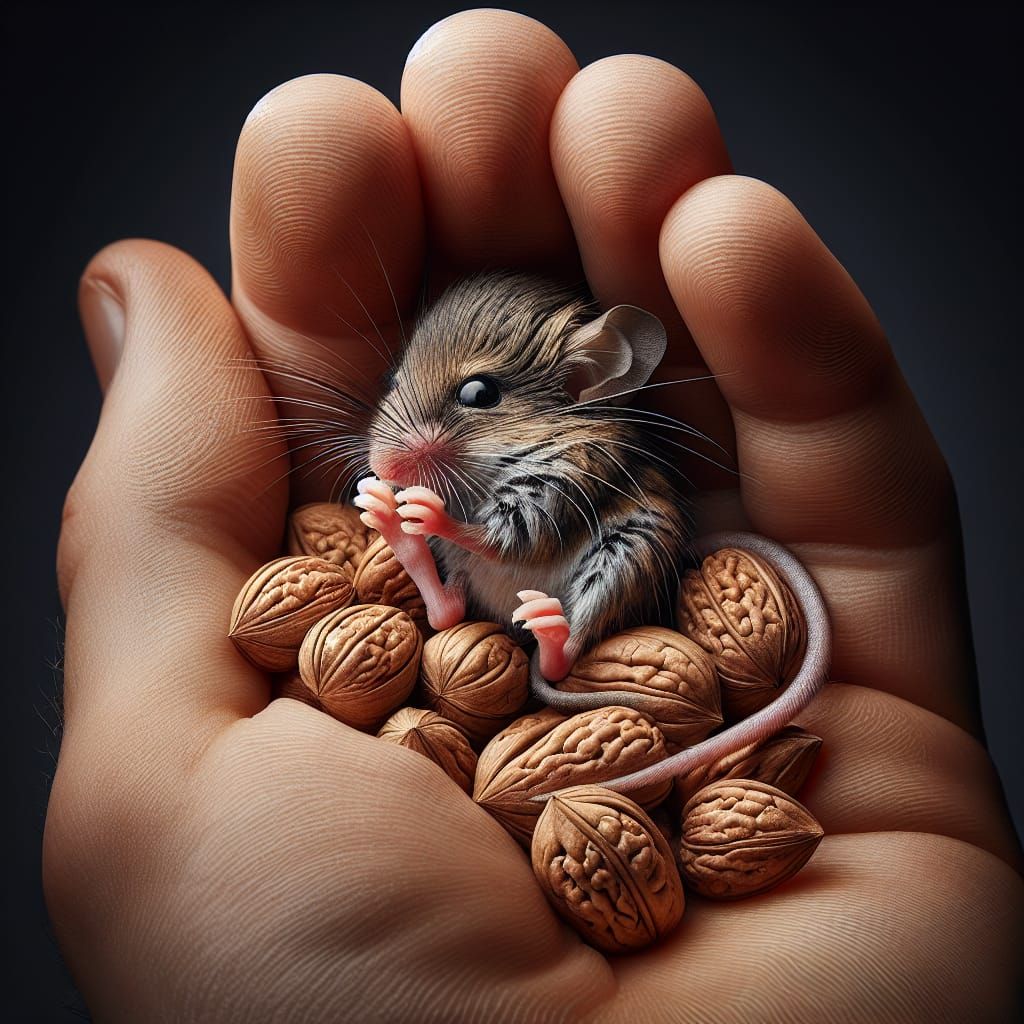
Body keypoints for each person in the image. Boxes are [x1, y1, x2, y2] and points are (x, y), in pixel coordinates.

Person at [47, 9, 1023, 1020]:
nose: (400, 428)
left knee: (630, 536)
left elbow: (533, 533)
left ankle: (556, 659)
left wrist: (461, 538)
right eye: (400, 390)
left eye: (469, 398)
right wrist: (422, 549)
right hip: (488, 654)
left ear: (585, 378)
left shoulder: (585, 453)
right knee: (434, 568)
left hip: (570, 577)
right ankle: (439, 600)